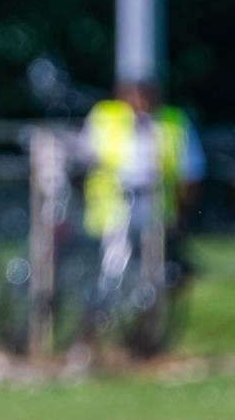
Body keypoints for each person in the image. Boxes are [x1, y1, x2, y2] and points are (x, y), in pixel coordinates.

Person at [80, 77, 205, 280]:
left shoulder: (174, 121)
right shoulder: (104, 116)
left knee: (160, 279)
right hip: (112, 217)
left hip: (158, 215)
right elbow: (82, 161)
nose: (141, 102)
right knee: (109, 279)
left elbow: (191, 174)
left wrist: (184, 214)